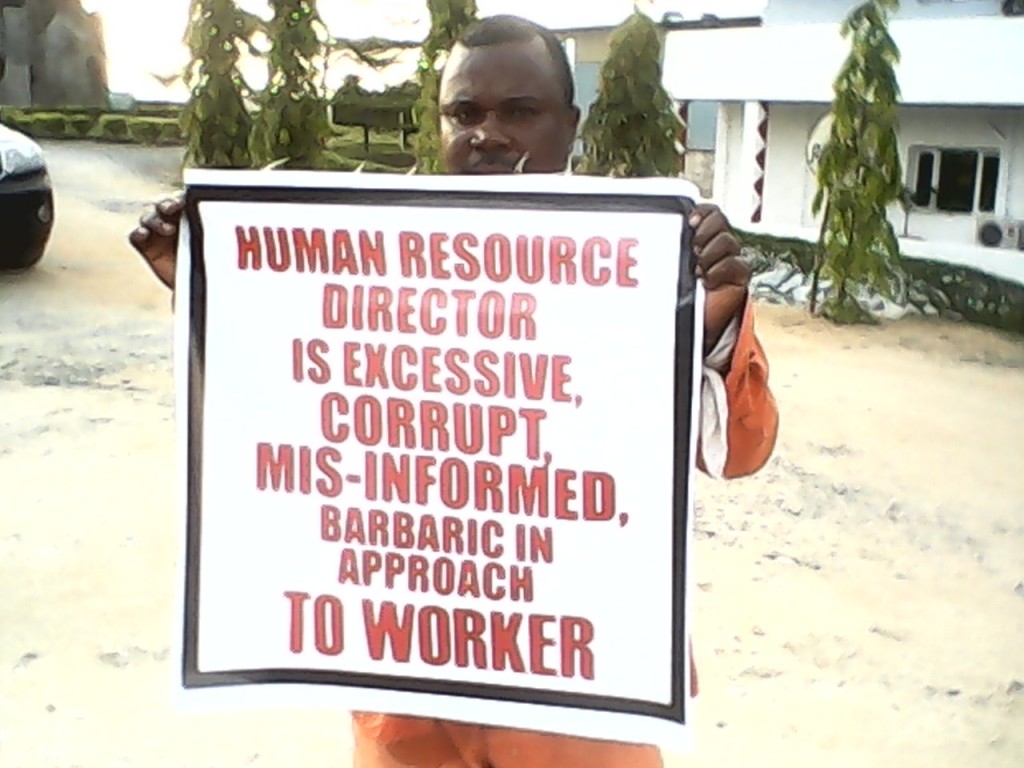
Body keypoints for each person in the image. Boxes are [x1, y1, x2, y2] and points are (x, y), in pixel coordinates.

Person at [130, 14, 778, 768]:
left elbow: (737, 453)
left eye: (519, 112)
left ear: (570, 125)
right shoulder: (372, 260)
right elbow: (294, 416)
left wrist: (715, 321)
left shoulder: (644, 264)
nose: (488, 134)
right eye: (464, 113)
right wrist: (214, 295)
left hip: (576, 692)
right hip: (409, 689)